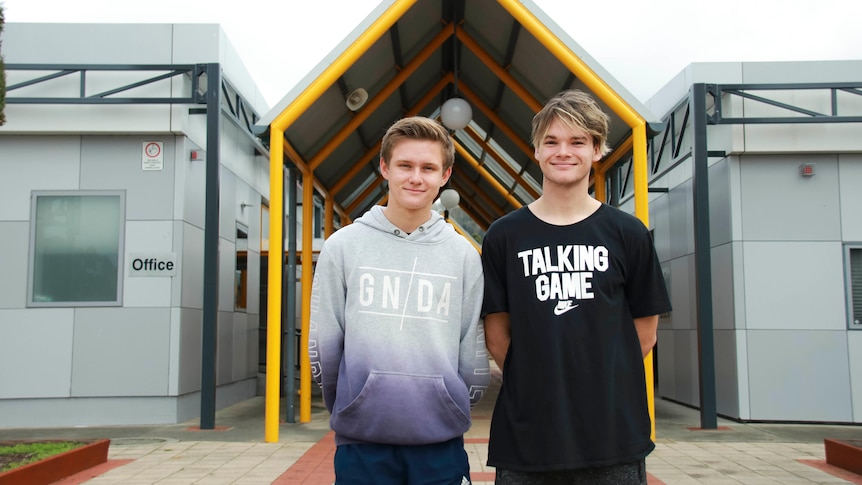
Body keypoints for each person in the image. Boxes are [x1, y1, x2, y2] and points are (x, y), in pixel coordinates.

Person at [480, 90, 672, 484]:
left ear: (597, 150)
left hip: (612, 435)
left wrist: (598, 380)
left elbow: (645, 334)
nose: (562, 151)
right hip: (528, 437)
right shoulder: (504, 236)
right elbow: (497, 335)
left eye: (577, 141)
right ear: (536, 150)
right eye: (551, 141)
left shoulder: (628, 233)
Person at [309, 116, 489, 485]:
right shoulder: (342, 247)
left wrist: (449, 405)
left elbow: (472, 349)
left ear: (445, 175)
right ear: (384, 167)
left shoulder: (463, 255)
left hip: (440, 445)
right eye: (405, 165)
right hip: (362, 445)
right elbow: (324, 344)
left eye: (428, 167)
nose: (416, 177)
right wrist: (352, 403)